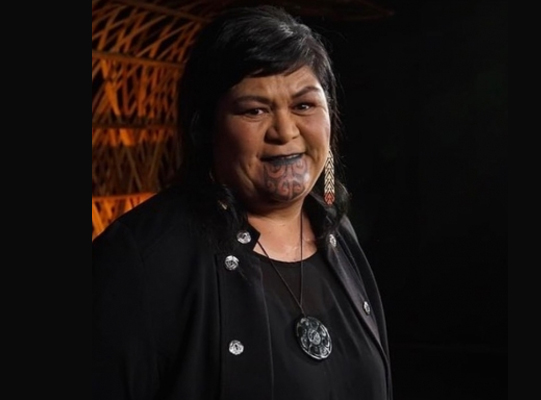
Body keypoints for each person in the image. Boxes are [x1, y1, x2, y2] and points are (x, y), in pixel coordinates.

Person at [92, 5, 393, 400]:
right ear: (206, 127)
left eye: (304, 105)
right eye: (255, 110)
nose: (285, 131)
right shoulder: (142, 257)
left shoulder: (337, 232)